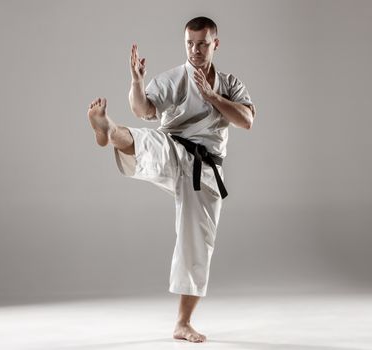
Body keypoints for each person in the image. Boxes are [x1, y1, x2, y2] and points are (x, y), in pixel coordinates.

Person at [87, 16, 255, 343]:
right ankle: (109, 129)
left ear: (215, 44)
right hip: (173, 148)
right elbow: (143, 110)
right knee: (147, 142)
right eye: (190, 44)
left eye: (202, 44)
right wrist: (137, 82)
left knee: (197, 242)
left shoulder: (230, 83)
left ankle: (183, 322)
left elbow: (247, 120)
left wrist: (214, 98)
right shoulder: (175, 78)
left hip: (206, 167)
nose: (195, 50)